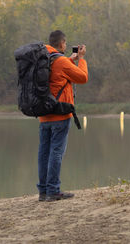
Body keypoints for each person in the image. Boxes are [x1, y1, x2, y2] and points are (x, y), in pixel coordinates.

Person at [37, 30, 88, 202]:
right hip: (60, 115)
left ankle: (43, 191)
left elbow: (58, 69)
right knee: (56, 153)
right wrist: (81, 59)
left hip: (44, 115)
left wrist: (71, 59)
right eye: (65, 44)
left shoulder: (43, 59)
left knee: (44, 153)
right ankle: (53, 190)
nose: (66, 46)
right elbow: (82, 78)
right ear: (61, 44)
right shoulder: (60, 61)